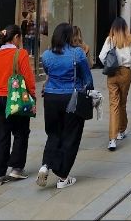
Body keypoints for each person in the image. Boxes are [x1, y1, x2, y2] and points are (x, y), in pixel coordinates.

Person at [37, 23, 92, 189]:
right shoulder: (77, 53)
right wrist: (90, 95)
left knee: (53, 133)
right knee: (71, 135)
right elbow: (87, 78)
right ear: (69, 36)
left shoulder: (46, 55)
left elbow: (47, 72)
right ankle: (62, 176)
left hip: (51, 97)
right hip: (71, 97)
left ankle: (46, 164)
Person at [0, 24, 36, 186]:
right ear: (16, 37)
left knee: (0, 135)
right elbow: (28, 78)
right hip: (15, 99)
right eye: (20, 38)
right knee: (21, 132)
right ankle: (16, 168)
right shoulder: (20, 54)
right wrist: (32, 97)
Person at [98, 18, 131, 151]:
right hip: (125, 72)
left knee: (113, 104)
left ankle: (112, 139)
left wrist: (110, 62)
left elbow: (101, 56)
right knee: (122, 102)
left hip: (112, 73)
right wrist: (126, 61)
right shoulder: (130, 39)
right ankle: (122, 130)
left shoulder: (109, 39)